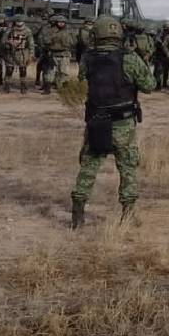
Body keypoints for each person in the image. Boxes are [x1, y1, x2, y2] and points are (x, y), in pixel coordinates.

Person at [70, 15, 154, 229]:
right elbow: (149, 85)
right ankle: (128, 213)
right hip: (123, 124)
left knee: (89, 167)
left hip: (97, 121)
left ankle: (78, 213)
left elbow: (81, 82)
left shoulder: (88, 58)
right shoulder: (129, 57)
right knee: (128, 168)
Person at [43, 15, 77, 95]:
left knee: (64, 71)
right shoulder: (51, 31)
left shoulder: (69, 31)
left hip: (64, 54)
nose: (61, 24)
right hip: (53, 54)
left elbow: (74, 42)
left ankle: (63, 89)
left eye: (63, 22)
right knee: (50, 71)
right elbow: (46, 41)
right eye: (59, 22)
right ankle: (47, 88)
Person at [2, 16, 36, 94]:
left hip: (22, 53)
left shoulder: (27, 31)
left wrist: (31, 55)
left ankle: (23, 86)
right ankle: (7, 86)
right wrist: (8, 42)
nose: (19, 23)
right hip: (11, 52)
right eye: (17, 21)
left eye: (20, 21)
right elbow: (2, 41)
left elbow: (31, 44)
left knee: (23, 70)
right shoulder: (9, 30)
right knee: (9, 70)